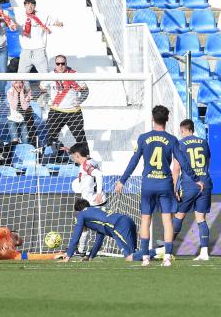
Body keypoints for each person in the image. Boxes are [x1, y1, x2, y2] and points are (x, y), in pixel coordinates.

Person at [115, 105, 203, 267]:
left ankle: (146, 258)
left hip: (148, 184)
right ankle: (167, 257)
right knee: (167, 220)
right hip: (165, 184)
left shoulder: (143, 138)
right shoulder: (171, 139)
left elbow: (134, 161)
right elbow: (183, 161)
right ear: (167, 119)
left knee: (145, 220)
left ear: (152, 118)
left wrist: (122, 180)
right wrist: (196, 178)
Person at [60, 199, 164, 262]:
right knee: (134, 254)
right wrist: (90, 257)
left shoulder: (81, 215)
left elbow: (76, 237)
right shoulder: (96, 212)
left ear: (79, 210)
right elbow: (99, 239)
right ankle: (159, 254)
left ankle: (160, 250)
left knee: (129, 258)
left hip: (118, 225)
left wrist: (68, 256)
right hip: (127, 220)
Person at [172, 119, 212, 261]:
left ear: (183, 130)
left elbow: (176, 168)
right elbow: (208, 162)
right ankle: (204, 252)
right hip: (205, 183)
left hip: (190, 184)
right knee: (201, 218)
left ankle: (167, 248)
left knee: (179, 215)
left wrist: (174, 187)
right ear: (192, 129)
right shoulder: (204, 142)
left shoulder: (180, 144)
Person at [40, 55, 89, 153]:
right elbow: (42, 87)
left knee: (81, 139)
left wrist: (79, 100)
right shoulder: (50, 75)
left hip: (74, 112)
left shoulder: (74, 74)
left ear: (66, 64)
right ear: (55, 64)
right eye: (58, 64)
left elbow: (85, 89)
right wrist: (47, 97)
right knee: (51, 138)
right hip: (56, 111)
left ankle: (86, 160)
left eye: (63, 63)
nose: (60, 66)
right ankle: (56, 157)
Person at [69, 142, 106, 256]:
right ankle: (81, 250)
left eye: (73, 156)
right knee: (94, 227)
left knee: (83, 225)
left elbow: (98, 175)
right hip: (95, 200)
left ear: (77, 155)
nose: (73, 158)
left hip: (92, 201)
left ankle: (81, 250)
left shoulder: (85, 165)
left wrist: (98, 193)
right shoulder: (92, 161)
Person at [15, 0, 62, 74]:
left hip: (39, 50)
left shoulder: (42, 15)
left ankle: (44, 86)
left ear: (35, 6)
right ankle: (27, 87)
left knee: (44, 75)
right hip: (26, 50)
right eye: (27, 4)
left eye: (32, 5)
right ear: (24, 6)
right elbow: (10, 21)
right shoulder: (19, 16)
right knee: (21, 76)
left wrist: (58, 23)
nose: (30, 7)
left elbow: (53, 21)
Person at [5, 80, 34, 145]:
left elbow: (24, 107)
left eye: (20, 82)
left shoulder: (27, 92)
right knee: (14, 140)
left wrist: (21, 93)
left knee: (25, 139)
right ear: (12, 84)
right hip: (12, 119)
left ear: (23, 83)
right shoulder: (9, 92)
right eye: (16, 82)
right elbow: (14, 106)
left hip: (23, 120)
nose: (18, 85)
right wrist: (15, 93)